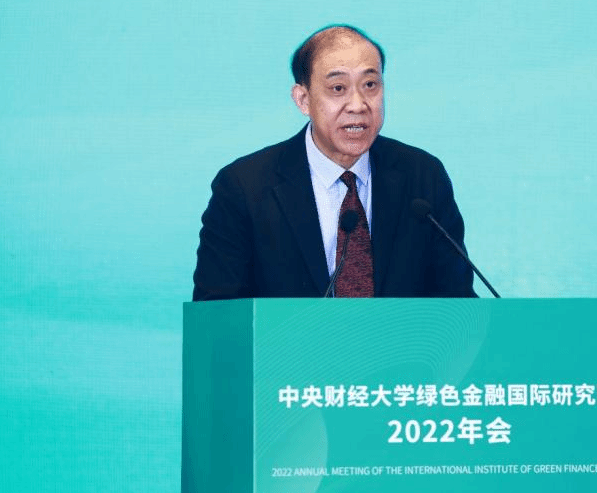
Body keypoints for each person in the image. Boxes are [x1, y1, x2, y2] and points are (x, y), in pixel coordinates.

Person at [192, 24, 476, 300]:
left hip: (401, 336)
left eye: (370, 85)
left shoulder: (423, 177)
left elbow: (457, 302)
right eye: (338, 88)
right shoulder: (245, 187)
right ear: (303, 99)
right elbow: (217, 312)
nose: (358, 105)